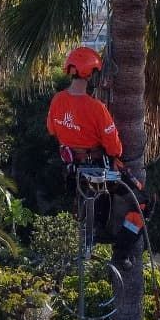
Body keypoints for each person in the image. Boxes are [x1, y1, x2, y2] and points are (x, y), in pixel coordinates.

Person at [47, 46, 147, 267]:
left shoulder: (57, 101)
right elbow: (115, 150)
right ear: (91, 74)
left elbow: (53, 130)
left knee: (96, 210)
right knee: (144, 204)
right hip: (99, 170)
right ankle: (122, 252)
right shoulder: (96, 108)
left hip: (73, 171)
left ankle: (95, 235)